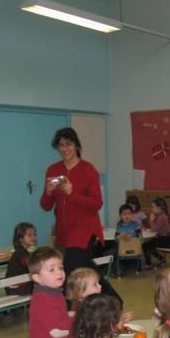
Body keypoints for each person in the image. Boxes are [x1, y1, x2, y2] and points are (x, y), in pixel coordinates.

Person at [40, 127, 121, 303]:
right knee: (85, 267)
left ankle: (68, 310)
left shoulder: (88, 170)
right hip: (64, 231)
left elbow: (96, 203)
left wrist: (72, 193)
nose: (65, 149)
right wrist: (48, 192)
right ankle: (114, 301)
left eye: (68, 144)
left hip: (85, 229)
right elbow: (46, 206)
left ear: (76, 145)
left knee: (69, 268)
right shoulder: (53, 170)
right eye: (61, 145)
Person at [66, 267, 134, 327]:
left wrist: (120, 318)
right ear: (81, 291)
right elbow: (99, 328)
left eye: (98, 283)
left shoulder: (93, 301)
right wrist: (118, 324)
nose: (100, 286)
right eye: (95, 285)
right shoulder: (83, 308)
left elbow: (104, 319)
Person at [5, 222, 36, 296]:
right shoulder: (21, 254)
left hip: (17, 286)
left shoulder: (22, 252)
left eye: (34, 235)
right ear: (20, 238)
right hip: (17, 288)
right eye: (30, 235)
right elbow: (32, 268)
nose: (33, 237)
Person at [143, 197, 170, 268]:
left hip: (165, 240)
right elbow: (154, 228)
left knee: (146, 245)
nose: (151, 209)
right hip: (163, 239)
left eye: (153, 207)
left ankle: (149, 263)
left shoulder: (162, 217)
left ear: (159, 208)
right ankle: (161, 259)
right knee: (148, 245)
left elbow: (155, 229)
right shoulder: (160, 216)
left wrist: (152, 220)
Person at [114, 204, 141, 277]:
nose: (127, 216)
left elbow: (141, 238)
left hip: (134, 248)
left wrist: (132, 238)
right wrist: (120, 237)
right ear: (120, 216)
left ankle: (137, 267)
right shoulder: (119, 226)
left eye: (129, 214)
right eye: (124, 214)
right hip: (122, 249)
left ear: (132, 215)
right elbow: (115, 239)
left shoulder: (135, 225)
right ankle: (118, 270)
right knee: (115, 250)